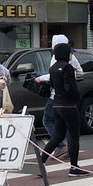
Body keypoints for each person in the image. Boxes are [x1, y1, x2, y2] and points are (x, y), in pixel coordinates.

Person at [38, 42, 84, 176]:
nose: (71, 54)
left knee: (58, 136)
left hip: (56, 104)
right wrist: (76, 97)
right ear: (65, 53)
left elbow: (52, 84)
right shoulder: (67, 67)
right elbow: (70, 87)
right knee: (74, 136)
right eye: (70, 52)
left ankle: (41, 163)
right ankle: (74, 168)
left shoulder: (53, 68)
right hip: (68, 105)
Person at [40, 34, 83, 141]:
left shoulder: (56, 59)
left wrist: (40, 78)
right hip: (70, 98)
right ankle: (68, 147)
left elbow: (54, 76)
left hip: (57, 96)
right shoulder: (72, 57)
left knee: (47, 119)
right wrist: (71, 79)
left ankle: (59, 144)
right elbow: (80, 73)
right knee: (69, 124)